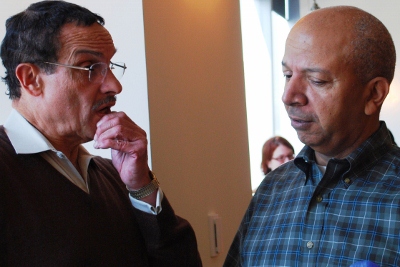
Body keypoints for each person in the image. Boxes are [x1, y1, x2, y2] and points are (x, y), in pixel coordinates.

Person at [0, 1, 201, 266]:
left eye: (110, 66)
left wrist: (141, 186)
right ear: (31, 79)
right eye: (90, 68)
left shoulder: (114, 175)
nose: (114, 86)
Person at [224, 5, 400, 267]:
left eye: (317, 80)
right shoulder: (271, 191)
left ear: (373, 94)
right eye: (287, 75)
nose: (289, 96)